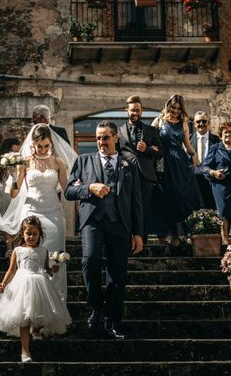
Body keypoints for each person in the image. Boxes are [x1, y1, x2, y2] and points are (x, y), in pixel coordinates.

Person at [65, 120, 144, 340]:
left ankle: (113, 321)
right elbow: (69, 191)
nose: (101, 142)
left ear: (115, 138)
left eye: (105, 137)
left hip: (120, 224)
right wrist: (88, 188)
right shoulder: (83, 160)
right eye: (98, 138)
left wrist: (138, 232)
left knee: (117, 272)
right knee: (90, 261)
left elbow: (136, 200)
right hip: (93, 222)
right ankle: (95, 308)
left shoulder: (129, 163)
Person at [0, 216, 71, 363]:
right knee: (24, 318)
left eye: (35, 234)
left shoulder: (43, 251)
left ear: (39, 234)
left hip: (40, 284)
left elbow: (46, 269)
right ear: (23, 233)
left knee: (41, 315)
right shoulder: (18, 250)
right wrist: (3, 283)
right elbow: (11, 270)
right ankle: (25, 350)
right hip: (22, 284)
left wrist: (53, 268)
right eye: (28, 233)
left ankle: (36, 330)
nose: (32, 237)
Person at [8, 125, 73, 301]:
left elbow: (68, 191)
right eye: (40, 146)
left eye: (46, 146)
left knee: (54, 257)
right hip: (31, 212)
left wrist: (81, 185)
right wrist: (13, 177)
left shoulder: (59, 163)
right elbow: (15, 193)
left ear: (51, 143)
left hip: (53, 213)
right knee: (30, 258)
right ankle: (28, 302)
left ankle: (54, 306)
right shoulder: (24, 162)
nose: (43, 149)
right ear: (33, 144)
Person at [152, 95, 202, 245]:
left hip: (179, 162)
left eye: (178, 108)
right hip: (162, 162)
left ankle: (178, 236)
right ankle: (164, 236)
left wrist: (196, 158)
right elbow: (149, 139)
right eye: (173, 107)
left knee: (182, 195)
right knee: (166, 195)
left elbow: (187, 145)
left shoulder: (183, 124)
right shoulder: (158, 120)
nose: (175, 110)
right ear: (168, 106)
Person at [118, 95, 163, 242]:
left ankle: (142, 241)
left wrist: (148, 149)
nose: (135, 113)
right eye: (132, 110)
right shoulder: (118, 131)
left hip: (146, 177)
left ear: (141, 111)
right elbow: (116, 153)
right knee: (126, 208)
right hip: (125, 175)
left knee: (143, 210)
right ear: (127, 111)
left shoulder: (150, 130)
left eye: (138, 110)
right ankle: (126, 240)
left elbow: (161, 153)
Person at [202, 122, 231, 245]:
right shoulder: (215, 148)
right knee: (224, 213)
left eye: (230, 132)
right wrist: (213, 172)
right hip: (222, 187)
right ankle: (225, 241)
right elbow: (204, 167)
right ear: (221, 135)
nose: (228, 134)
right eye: (225, 132)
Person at [190, 111, 220, 210]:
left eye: (204, 121)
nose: (201, 124)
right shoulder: (188, 140)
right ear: (194, 124)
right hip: (195, 182)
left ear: (209, 123)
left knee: (212, 210)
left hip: (211, 182)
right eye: (198, 122)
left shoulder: (217, 141)